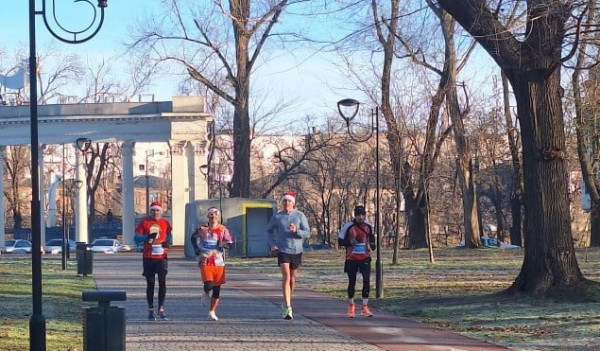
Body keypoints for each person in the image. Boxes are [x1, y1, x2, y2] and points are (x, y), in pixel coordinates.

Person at [265, 191, 310, 320]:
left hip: (296, 250)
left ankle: (287, 299)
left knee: (292, 279)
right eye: (285, 201)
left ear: (293, 203)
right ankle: (288, 306)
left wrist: (297, 231)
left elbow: (307, 233)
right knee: (286, 276)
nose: (287, 203)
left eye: (289, 201)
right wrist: (272, 244)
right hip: (282, 249)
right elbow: (268, 231)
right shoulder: (277, 217)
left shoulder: (300, 215)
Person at [190, 207, 234, 321]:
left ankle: (212, 311)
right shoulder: (202, 229)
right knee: (209, 284)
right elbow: (193, 238)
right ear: (207, 216)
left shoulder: (223, 229)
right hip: (205, 259)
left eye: (215, 215)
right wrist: (196, 249)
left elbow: (230, 244)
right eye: (210, 215)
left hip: (219, 262)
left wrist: (223, 244)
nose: (213, 217)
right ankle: (205, 292)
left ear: (218, 217)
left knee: (217, 288)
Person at [134, 201, 173, 321]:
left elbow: (169, 235)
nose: (155, 213)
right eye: (153, 211)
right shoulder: (144, 222)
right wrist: (147, 237)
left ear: (161, 212)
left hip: (162, 257)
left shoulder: (165, 222)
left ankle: (161, 308)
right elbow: (136, 238)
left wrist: (168, 242)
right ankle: (151, 309)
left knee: (162, 282)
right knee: (150, 284)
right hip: (149, 257)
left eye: (158, 211)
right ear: (150, 211)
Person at [338, 205, 376, 318]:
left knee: (366, 281)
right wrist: (350, 243)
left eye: (362, 215)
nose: (360, 217)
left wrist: (373, 245)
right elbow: (340, 241)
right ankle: (351, 305)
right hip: (351, 258)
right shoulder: (348, 226)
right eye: (358, 215)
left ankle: (365, 306)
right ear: (355, 215)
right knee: (352, 282)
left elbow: (372, 238)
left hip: (365, 257)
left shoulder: (369, 225)